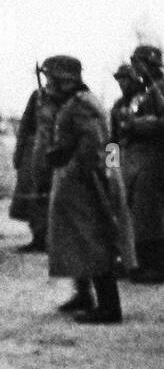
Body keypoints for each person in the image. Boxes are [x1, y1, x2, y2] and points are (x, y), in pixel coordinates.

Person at [43, 55, 135, 323]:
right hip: (76, 180)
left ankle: (109, 307)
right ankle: (84, 294)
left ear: (64, 79)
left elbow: (94, 146)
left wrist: (75, 166)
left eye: (51, 78)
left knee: (94, 239)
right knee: (76, 239)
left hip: (86, 180)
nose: (48, 83)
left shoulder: (83, 104)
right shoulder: (71, 103)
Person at [116, 46, 164, 284]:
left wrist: (137, 125)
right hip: (132, 161)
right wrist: (110, 167)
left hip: (154, 158)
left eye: (138, 63)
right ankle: (135, 262)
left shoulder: (160, 89)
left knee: (150, 214)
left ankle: (156, 266)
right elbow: (112, 139)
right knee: (133, 213)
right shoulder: (135, 96)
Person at [10, 74, 60, 252]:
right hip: (36, 153)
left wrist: (112, 166)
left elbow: (108, 138)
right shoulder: (38, 97)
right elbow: (25, 126)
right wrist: (19, 154)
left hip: (60, 154)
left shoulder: (74, 100)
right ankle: (39, 238)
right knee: (34, 195)